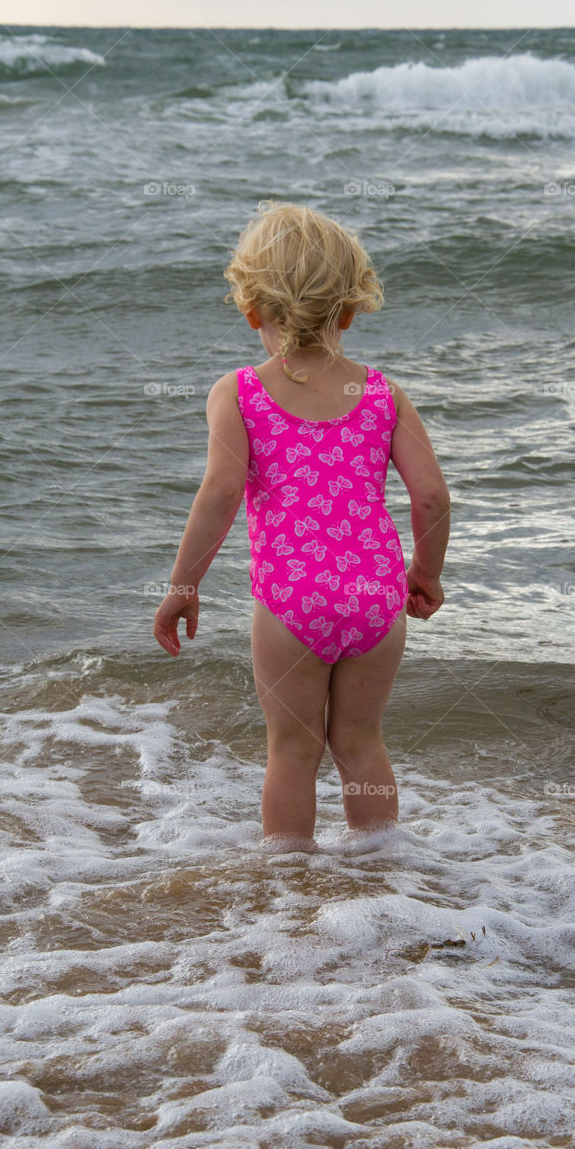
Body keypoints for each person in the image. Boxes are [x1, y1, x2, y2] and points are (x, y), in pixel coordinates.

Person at [154, 201, 450, 849]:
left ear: (252, 309)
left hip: (291, 600)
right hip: (374, 598)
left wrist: (182, 587)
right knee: (360, 742)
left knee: (291, 751)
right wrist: (424, 574)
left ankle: (286, 896)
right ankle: (379, 874)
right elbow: (429, 496)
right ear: (349, 310)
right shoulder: (380, 393)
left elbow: (219, 496)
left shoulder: (239, 393)